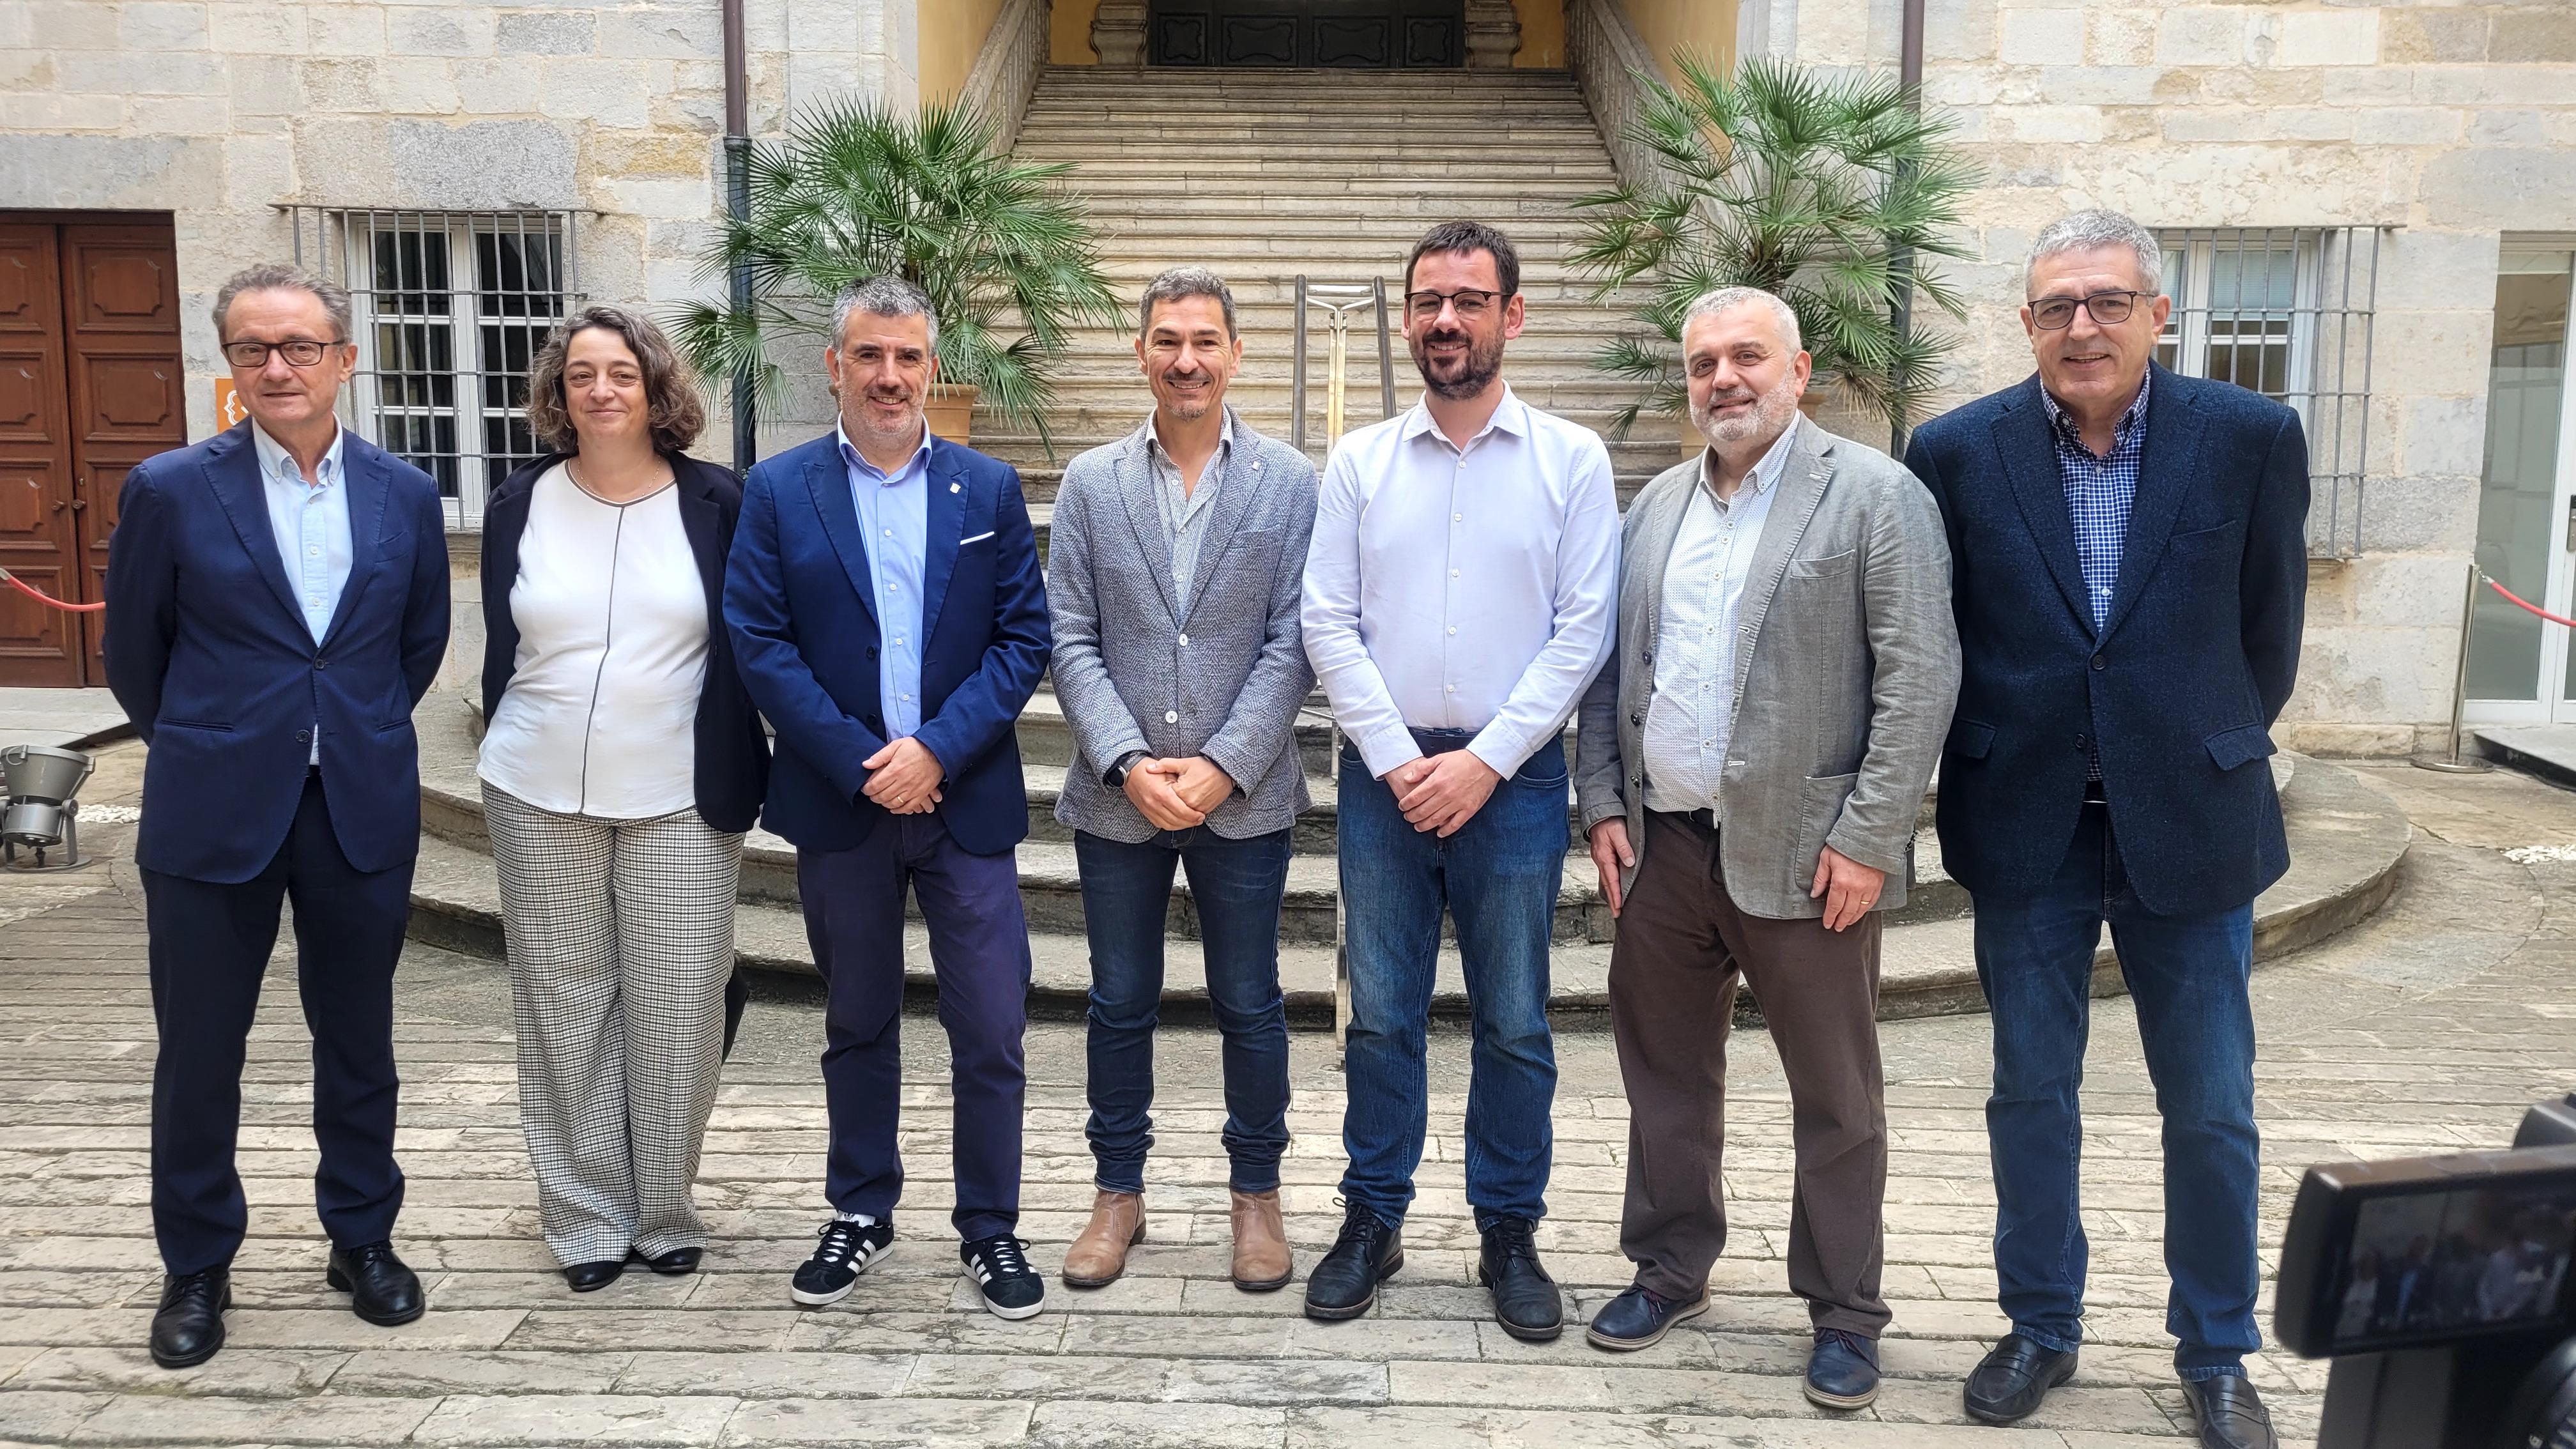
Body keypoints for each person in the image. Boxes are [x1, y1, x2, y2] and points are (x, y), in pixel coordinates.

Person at [1904, 208, 2308, 1449]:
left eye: (2107, 302)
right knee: (2031, 1092)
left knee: (2214, 1104)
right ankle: (2041, 1324)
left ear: (2158, 313)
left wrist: (2182, 741)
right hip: (2027, 824)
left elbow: (2267, 635)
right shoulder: (1956, 451)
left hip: (2190, 820)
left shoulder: (2249, 438)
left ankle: (2219, 1352)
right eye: (2057, 307)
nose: (2083, 326)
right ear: (2026, 323)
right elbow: (1944, 633)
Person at [1572, 288, 1959, 1409]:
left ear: (1801, 373)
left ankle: (1844, 1311)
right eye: (1703, 364)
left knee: (1836, 1095)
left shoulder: (1877, 497)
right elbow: (1606, 672)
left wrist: (1872, 836)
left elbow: (1920, 678)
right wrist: (1603, 803)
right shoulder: (1652, 509)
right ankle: (1672, 1266)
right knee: (1666, 1077)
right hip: (1663, 851)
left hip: (1810, 854)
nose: (1723, 380)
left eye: (1747, 357)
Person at [104, 263, 450, 1367]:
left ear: (346, 360)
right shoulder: (168, 489)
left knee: (360, 1042)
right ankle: (197, 1262)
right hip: (213, 814)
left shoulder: (402, 492)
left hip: (355, 803)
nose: (278, 367)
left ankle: (363, 1237)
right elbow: (134, 660)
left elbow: (417, 645)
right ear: (232, 365)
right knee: (200, 1051)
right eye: (255, 348)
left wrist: (345, 726)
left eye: (300, 346)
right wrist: (220, 740)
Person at [1299, 220, 1619, 1340]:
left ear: (1512, 316)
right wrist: (1399, 762)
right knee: (1380, 1016)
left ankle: (1508, 1231)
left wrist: (1484, 761)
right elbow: (1325, 622)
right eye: (1428, 300)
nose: (1447, 320)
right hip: (1386, 781)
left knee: (1516, 1022)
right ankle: (1373, 1217)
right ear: (1408, 320)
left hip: (1515, 781)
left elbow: (1583, 634)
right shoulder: (1358, 462)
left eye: (1470, 300)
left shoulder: (1573, 461)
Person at [723, 275, 1052, 1320]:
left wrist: (937, 754)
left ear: (931, 368)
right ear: (835, 367)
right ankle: (860, 1209)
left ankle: (990, 1227)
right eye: (870, 356)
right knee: (857, 1021)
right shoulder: (778, 492)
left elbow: (1022, 641)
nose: (890, 376)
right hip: (843, 803)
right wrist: (867, 758)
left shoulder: (986, 490)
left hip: (964, 808)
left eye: (909, 357)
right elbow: (760, 643)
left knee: (993, 1027)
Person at [477, 306, 770, 1292]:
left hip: (681, 790)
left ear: (656, 390)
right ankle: (586, 1214)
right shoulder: (522, 502)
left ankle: (664, 1208)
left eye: (622, 375)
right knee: (564, 1005)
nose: (601, 391)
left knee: (678, 1004)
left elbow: (752, 642)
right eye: (581, 376)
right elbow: (500, 643)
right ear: (557, 394)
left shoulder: (718, 501)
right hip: (535, 784)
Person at [1046, 266, 1318, 1293]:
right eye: (1167, 339)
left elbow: (1295, 639)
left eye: (1205, 339)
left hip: (1242, 798)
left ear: (1236, 355)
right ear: (1141, 353)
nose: (1186, 358)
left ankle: (1258, 1196)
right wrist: (1124, 758)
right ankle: (1119, 1193)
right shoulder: (1090, 482)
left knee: (1250, 1001)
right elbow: (1068, 634)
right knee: (1120, 1001)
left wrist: (1219, 766)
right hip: (1116, 799)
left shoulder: (1290, 483)